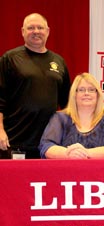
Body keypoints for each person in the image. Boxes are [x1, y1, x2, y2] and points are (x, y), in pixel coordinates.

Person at [0, 13, 71, 159]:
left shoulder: (59, 62)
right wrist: (0, 130)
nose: (36, 31)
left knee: (46, 182)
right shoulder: (9, 59)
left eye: (40, 27)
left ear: (48, 31)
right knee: (15, 182)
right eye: (31, 28)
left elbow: (67, 104)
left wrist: (68, 134)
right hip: (15, 141)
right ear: (22, 32)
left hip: (50, 144)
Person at [39, 72, 104, 159]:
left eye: (91, 90)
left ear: (98, 94)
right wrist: (68, 154)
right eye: (81, 89)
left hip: (102, 172)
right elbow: (46, 146)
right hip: (67, 172)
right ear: (74, 94)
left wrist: (85, 152)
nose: (86, 93)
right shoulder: (60, 118)